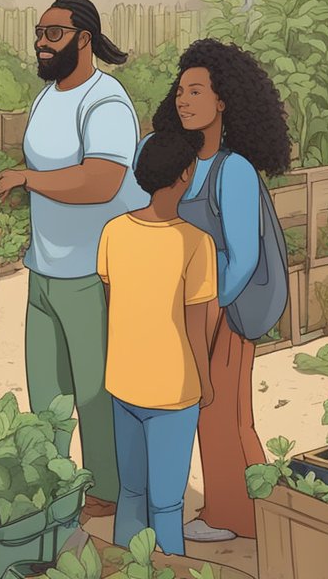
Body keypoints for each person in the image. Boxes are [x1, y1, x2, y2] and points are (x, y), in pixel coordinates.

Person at [0, 0, 148, 520]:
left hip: (94, 270)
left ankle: (105, 490)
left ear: (84, 38)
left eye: (52, 34)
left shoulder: (107, 101)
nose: (40, 42)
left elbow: (103, 181)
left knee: (97, 392)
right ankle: (53, 483)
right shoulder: (46, 97)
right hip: (45, 265)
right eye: (38, 32)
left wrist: (29, 179)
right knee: (47, 392)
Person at [146, 38, 292, 544]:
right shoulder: (181, 161)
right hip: (190, 307)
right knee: (220, 412)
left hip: (226, 309)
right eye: (180, 91)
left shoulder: (235, 170)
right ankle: (259, 512)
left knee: (221, 412)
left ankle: (232, 517)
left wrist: (209, 312)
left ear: (224, 100)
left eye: (196, 91)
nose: (184, 100)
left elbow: (244, 256)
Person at [99, 130, 218, 556]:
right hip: (174, 389)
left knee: (131, 493)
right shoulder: (196, 243)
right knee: (166, 504)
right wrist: (205, 383)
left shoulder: (114, 232)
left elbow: (114, 305)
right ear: (187, 173)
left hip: (123, 382)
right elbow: (195, 323)